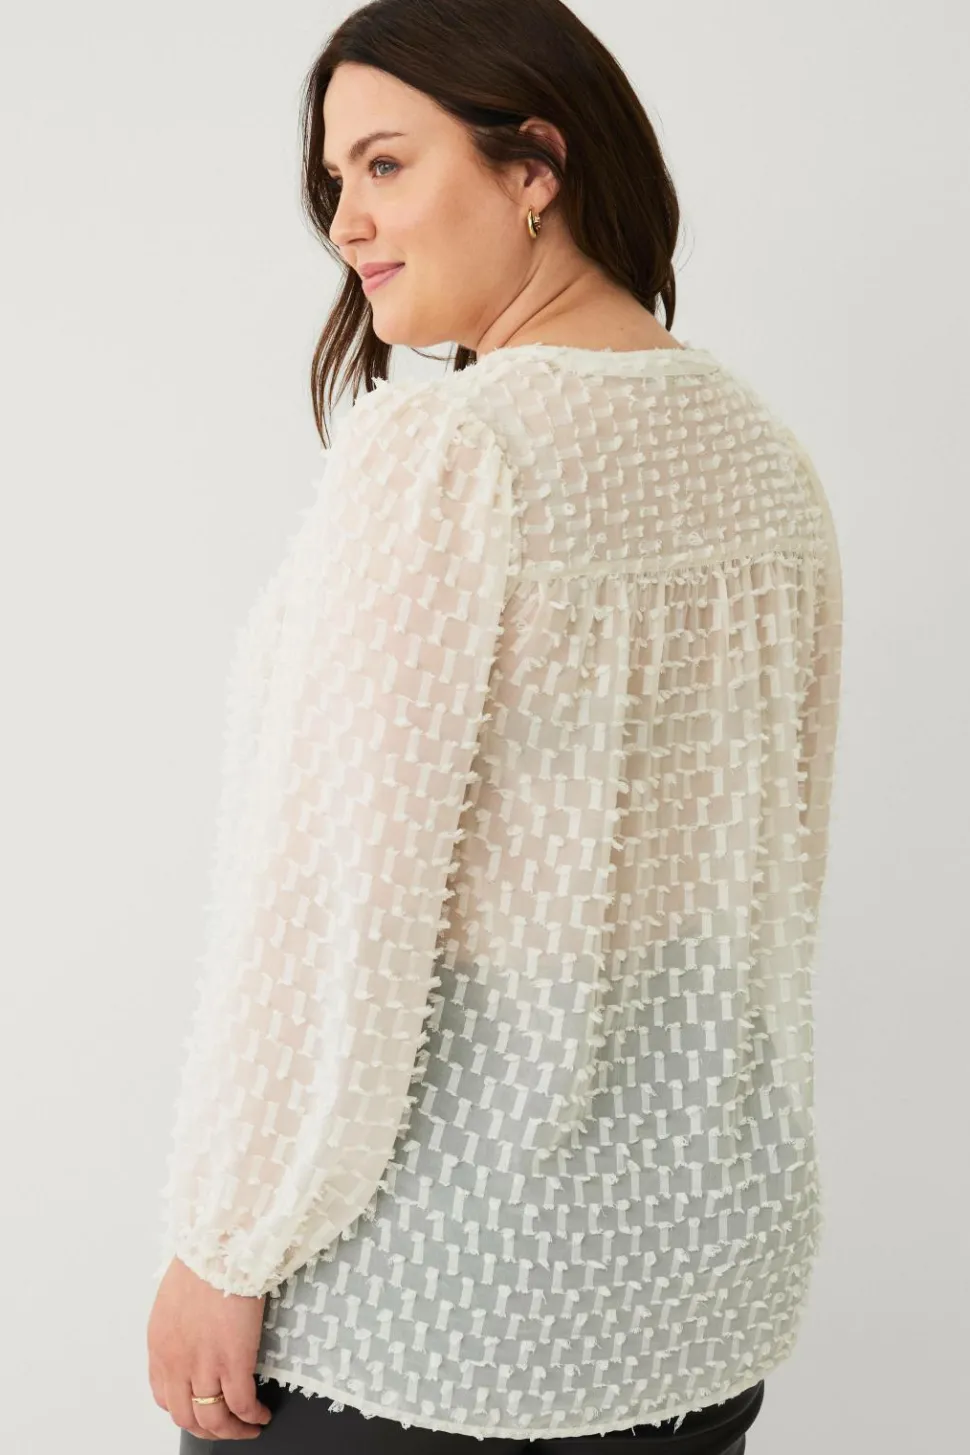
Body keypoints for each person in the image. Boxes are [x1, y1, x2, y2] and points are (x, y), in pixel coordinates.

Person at [145, 0, 843, 1450]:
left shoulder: (454, 453)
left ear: (534, 165)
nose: (346, 221)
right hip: (703, 1303)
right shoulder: (765, 459)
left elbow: (335, 903)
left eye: (386, 164)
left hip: (430, 1318)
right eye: (336, 179)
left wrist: (225, 1240)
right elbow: (770, 892)